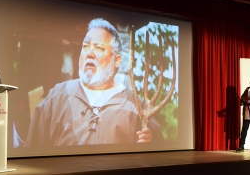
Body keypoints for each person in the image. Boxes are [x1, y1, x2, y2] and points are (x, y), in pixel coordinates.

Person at [24, 18, 163, 147]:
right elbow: (32, 150)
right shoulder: (58, 96)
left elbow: (156, 155)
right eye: (85, 47)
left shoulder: (134, 105)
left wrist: (149, 145)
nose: (89, 53)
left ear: (117, 60)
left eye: (99, 48)